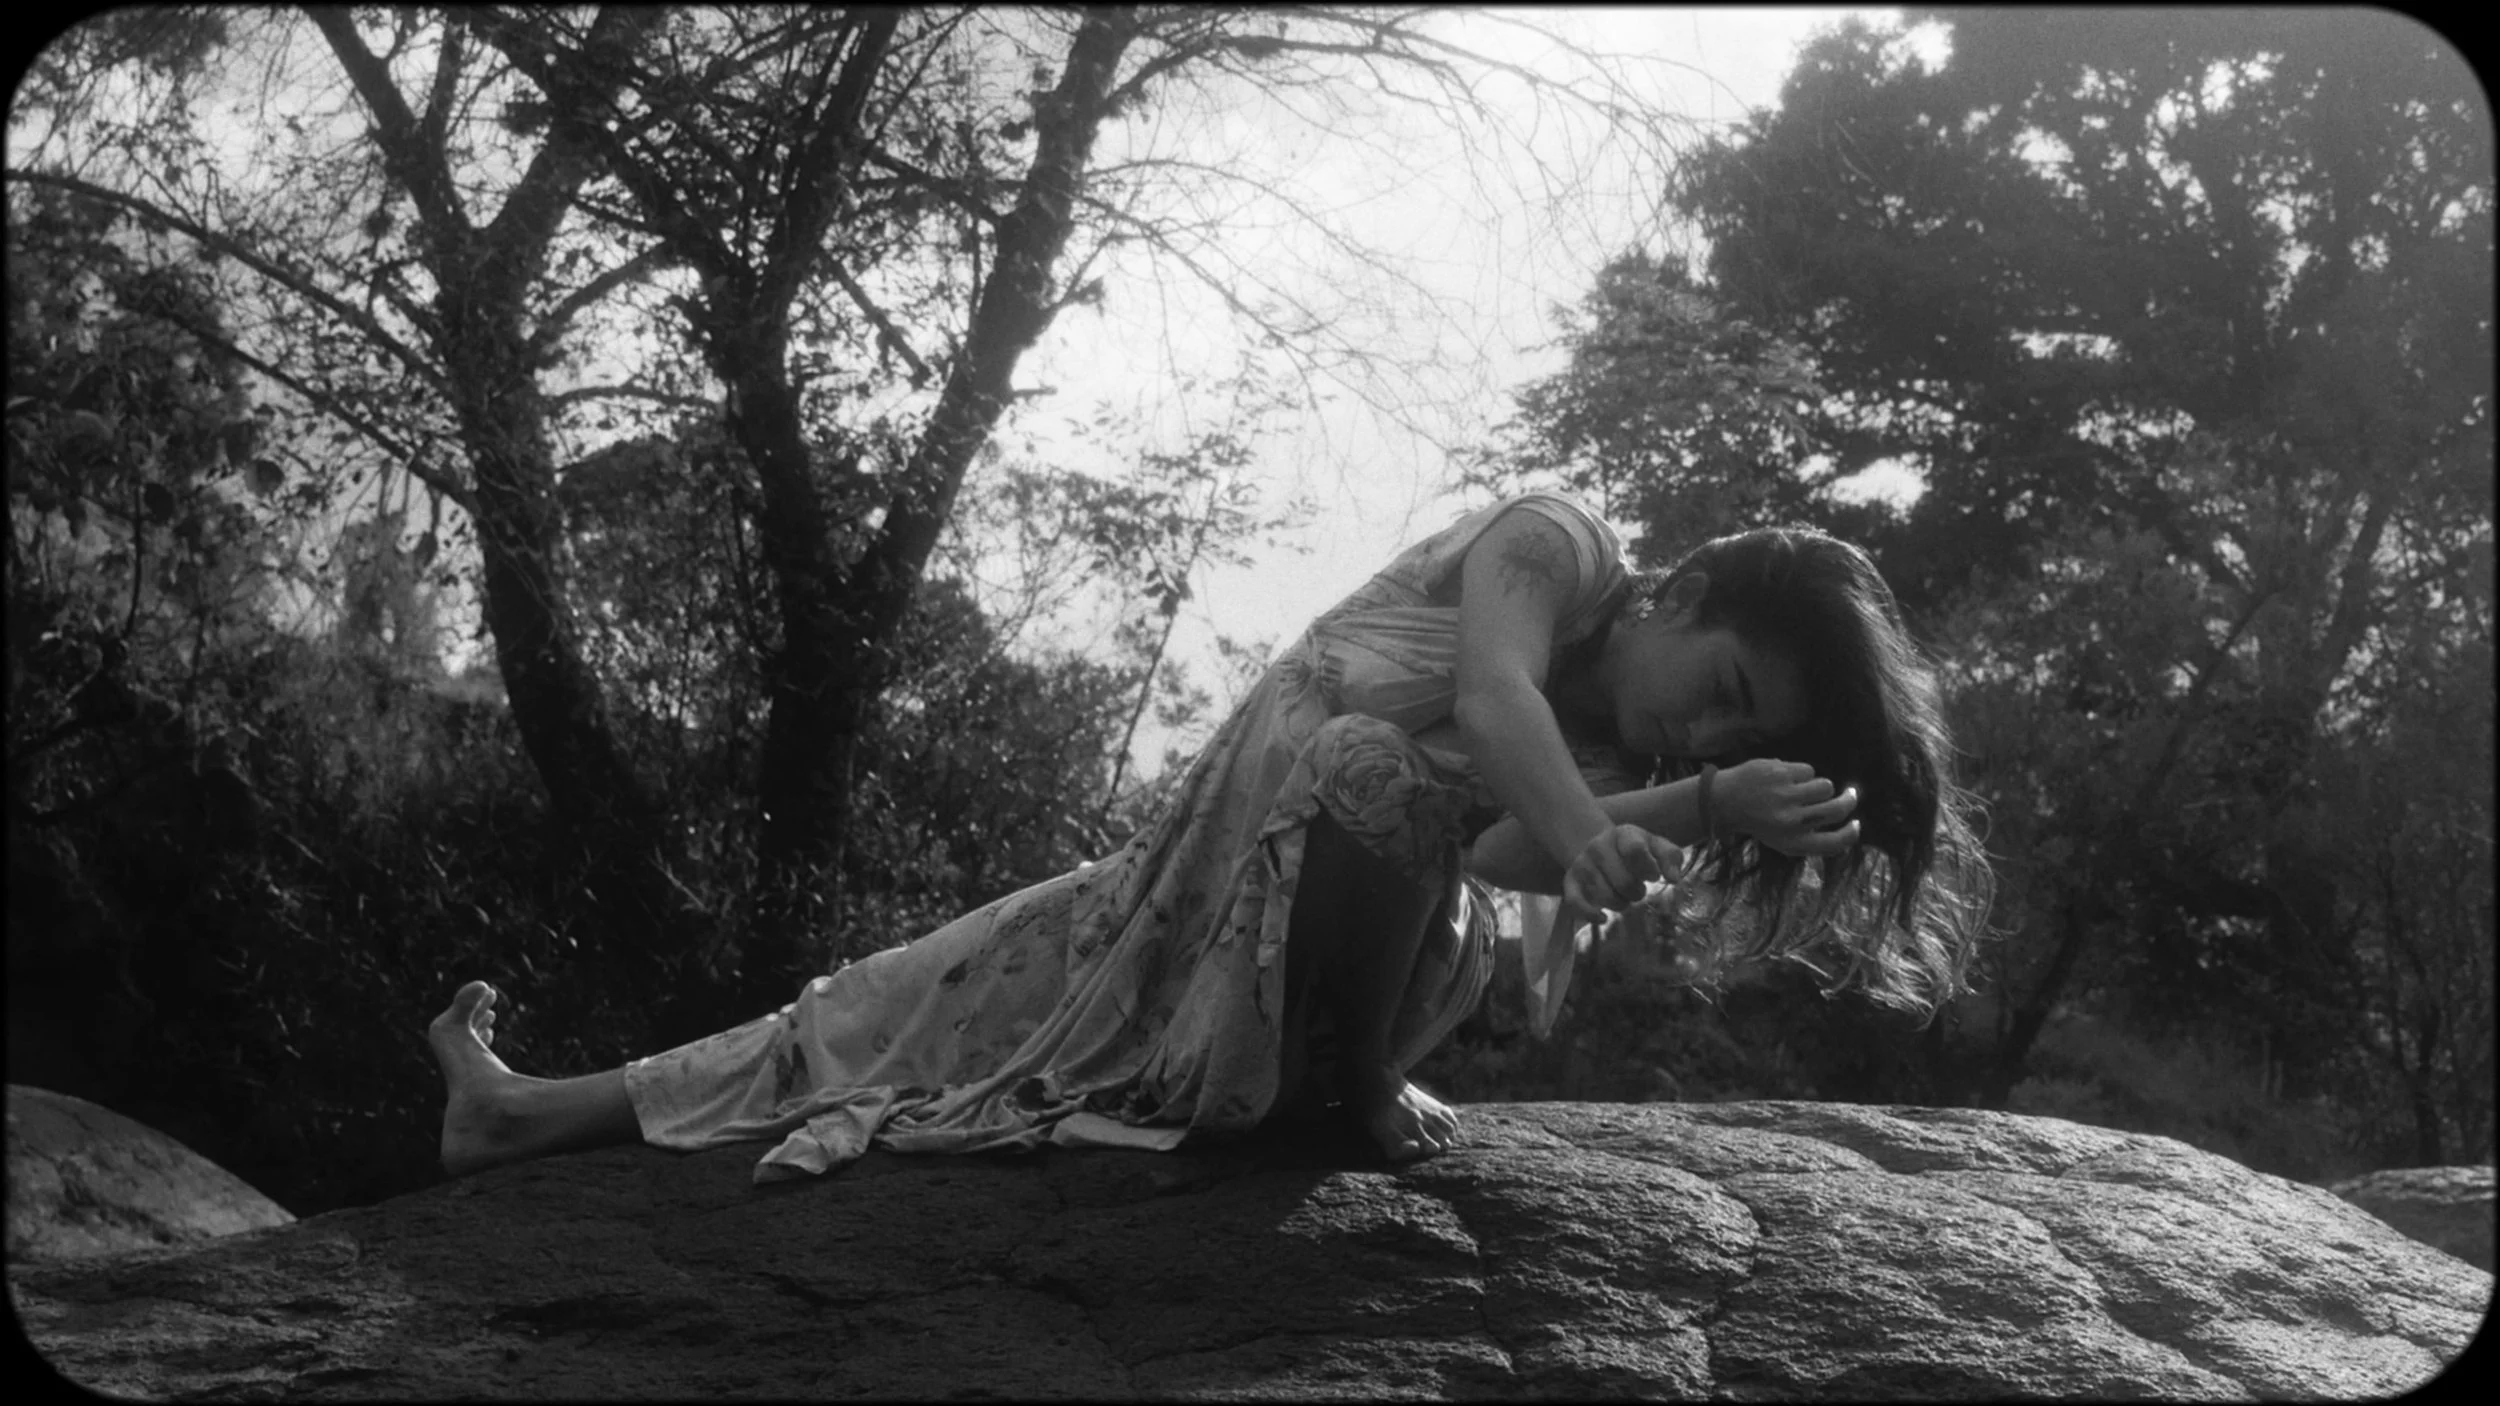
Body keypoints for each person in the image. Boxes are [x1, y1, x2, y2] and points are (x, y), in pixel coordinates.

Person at [429, 492, 1992, 1181]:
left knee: (1382, 769)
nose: (1702, 739)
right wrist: (1610, 815)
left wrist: (1687, 804)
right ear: (1684, 594)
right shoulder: (1559, 549)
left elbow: (1492, 855)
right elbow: (1495, 708)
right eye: (1720, 695)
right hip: (1197, 888)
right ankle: (514, 1114)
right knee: (889, 1013)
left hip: (1343, 967)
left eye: (1734, 740)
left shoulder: (1601, 748)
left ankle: (1343, 1072)